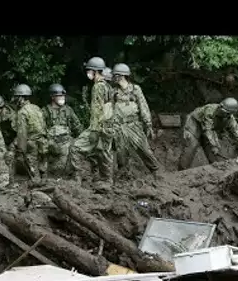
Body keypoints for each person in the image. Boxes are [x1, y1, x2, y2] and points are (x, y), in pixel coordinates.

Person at [68, 57, 113, 189]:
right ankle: (104, 180)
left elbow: (97, 110)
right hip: (107, 126)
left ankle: (77, 180)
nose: (88, 73)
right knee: (103, 153)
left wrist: (94, 129)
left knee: (76, 147)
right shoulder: (108, 86)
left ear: (95, 71)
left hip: (98, 126)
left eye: (89, 70)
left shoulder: (98, 87)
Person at [110, 63, 160, 177]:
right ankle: (124, 177)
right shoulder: (114, 92)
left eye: (116, 75)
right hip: (119, 127)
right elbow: (111, 109)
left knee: (144, 150)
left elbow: (143, 106)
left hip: (134, 125)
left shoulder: (135, 89)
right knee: (121, 154)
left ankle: (156, 172)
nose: (114, 78)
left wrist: (148, 124)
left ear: (122, 76)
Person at [178, 97, 238, 170]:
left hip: (209, 130)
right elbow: (208, 129)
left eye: (224, 111)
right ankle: (181, 173)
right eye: (220, 108)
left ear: (229, 114)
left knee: (214, 154)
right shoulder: (210, 110)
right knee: (191, 145)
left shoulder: (230, 120)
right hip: (195, 124)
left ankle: (216, 174)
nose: (220, 110)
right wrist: (214, 145)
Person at [42, 83, 82, 176]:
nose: (62, 98)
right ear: (52, 97)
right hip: (52, 142)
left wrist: (81, 139)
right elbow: (41, 130)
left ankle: (76, 175)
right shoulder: (45, 111)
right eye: (59, 96)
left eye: (63, 96)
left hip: (67, 141)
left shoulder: (68, 110)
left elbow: (77, 126)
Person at [11, 84, 47, 184]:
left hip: (32, 143)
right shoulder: (36, 108)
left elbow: (22, 134)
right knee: (42, 165)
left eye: (17, 97)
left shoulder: (22, 112)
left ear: (21, 98)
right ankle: (44, 181)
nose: (15, 99)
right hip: (43, 142)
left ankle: (37, 188)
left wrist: (21, 151)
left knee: (32, 168)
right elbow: (44, 125)